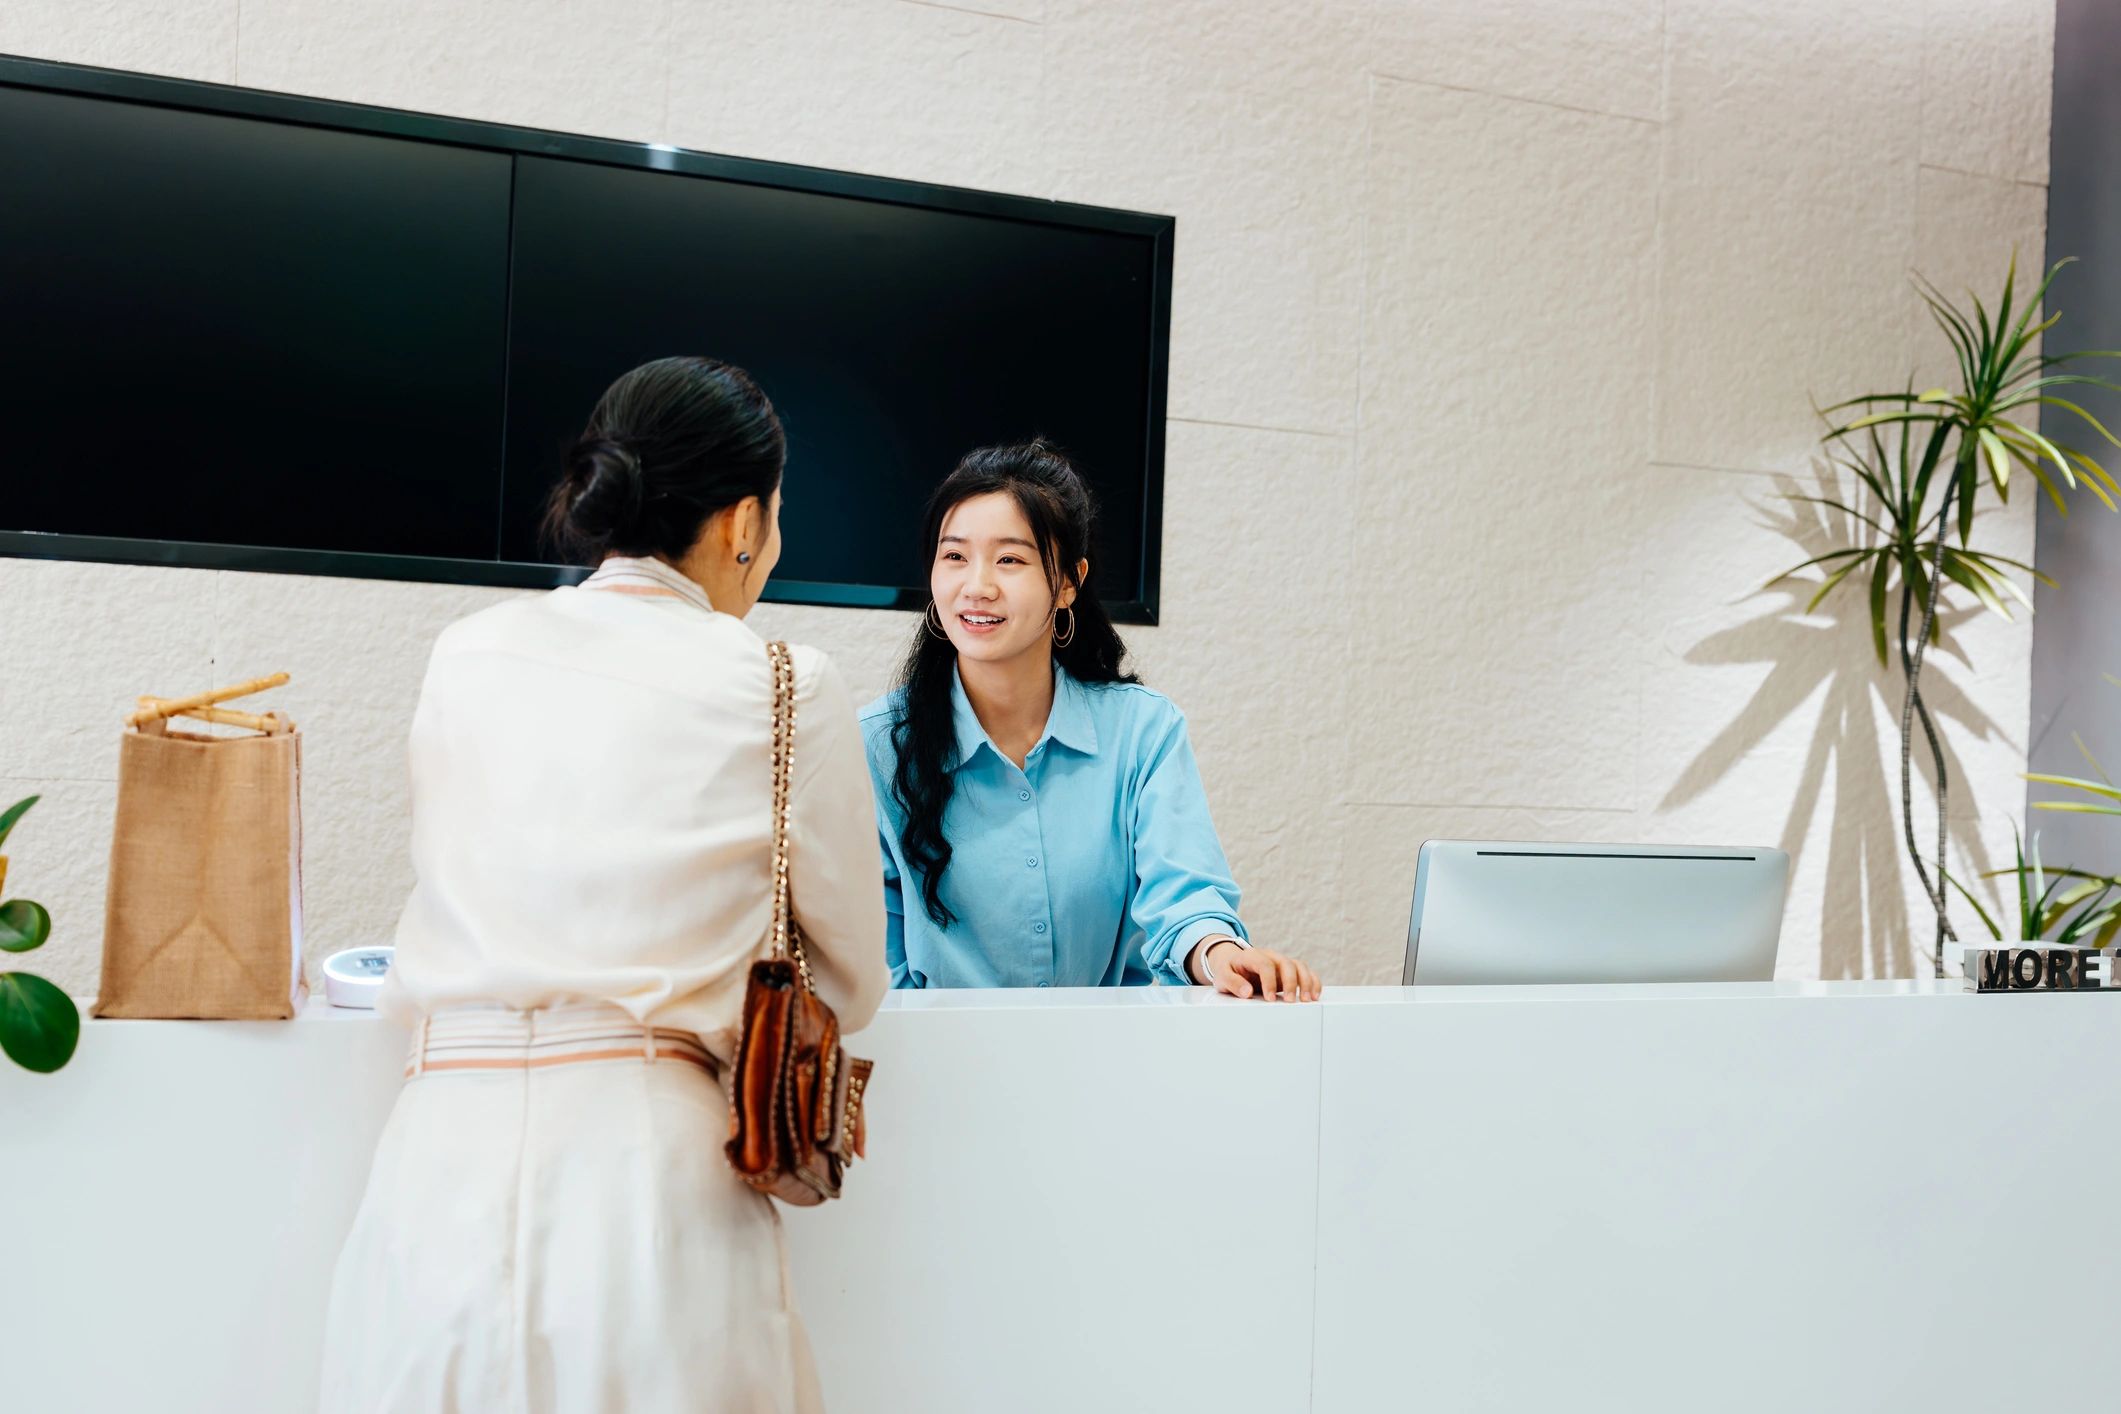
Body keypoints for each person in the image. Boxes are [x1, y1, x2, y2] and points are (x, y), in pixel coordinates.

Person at [319, 356, 887, 1414]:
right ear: (743, 522)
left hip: (433, 1176)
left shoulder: (465, 651)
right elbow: (851, 980)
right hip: (651, 1188)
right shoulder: (781, 682)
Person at [859, 440, 1319, 1000]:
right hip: (932, 1066)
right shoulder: (874, 745)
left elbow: (1185, 895)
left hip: (1109, 1064)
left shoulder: (1142, 733)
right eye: (954, 556)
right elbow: (870, 961)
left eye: (1010, 559)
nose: (976, 585)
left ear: (1068, 582)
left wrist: (1221, 953)